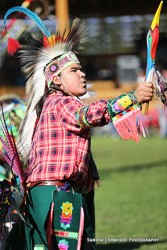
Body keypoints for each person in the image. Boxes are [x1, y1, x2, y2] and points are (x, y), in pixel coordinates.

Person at [2, 6, 154, 250]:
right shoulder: (60, 102)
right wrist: (133, 97)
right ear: (56, 80)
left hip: (53, 193)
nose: (83, 74)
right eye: (74, 70)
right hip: (55, 194)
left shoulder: (55, 104)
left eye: (82, 69)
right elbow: (88, 115)